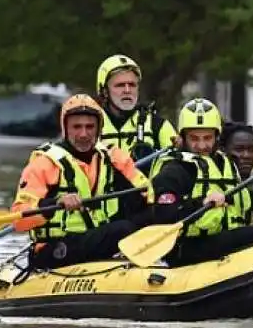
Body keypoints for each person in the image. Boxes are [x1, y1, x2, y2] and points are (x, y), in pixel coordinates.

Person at [11, 93, 153, 269]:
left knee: (143, 220)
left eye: (90, 127)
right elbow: (19, 219)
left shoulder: (114, 158)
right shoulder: (44, 164)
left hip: (95, 239)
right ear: (65, 128)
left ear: (99, 128)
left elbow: (148, 194)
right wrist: (55, 203)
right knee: (123, 229)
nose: (84, 134)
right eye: (77, 127)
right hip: (54, 248)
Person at [149, 98, 253, 266]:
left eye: (207, 138)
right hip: (185, 247)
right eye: (194, 138)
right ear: (183, 138)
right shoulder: (175, 170)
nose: (202, 145)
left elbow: (246, 207)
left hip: (219, 238)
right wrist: (201, 203)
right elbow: (164, 217)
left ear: (217, 137)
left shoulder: (224, 164)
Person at [95, 54, 178, 162]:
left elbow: (178, 166)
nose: (127, 90)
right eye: (120, 85)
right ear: (104, 91)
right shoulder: (90, 125)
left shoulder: (157, 125)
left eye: (132, 85)